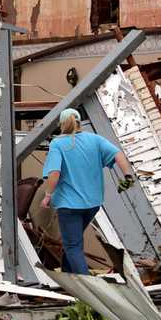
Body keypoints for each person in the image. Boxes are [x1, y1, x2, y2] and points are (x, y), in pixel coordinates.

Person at [41, 108, 136, 274]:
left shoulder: (58, 144)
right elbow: (118, 154)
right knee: (73, 242)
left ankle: (89, 288)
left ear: (62, 124)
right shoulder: (95, 140)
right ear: (78, 122)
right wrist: (127, 176)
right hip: (92, 204)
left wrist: (47, 195)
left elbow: (54, 173)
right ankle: (69, 279)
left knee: (72, 245)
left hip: (68, 205)